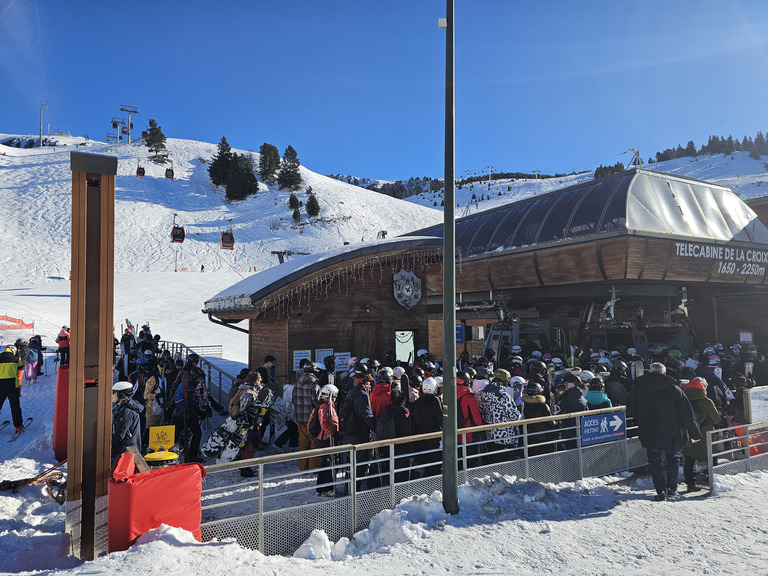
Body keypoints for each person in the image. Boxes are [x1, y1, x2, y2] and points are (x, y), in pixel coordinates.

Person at [627, 362, 702, 501]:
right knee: (673, 459)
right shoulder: (674, 389)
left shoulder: (639, 387)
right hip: (672, 431)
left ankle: (660, 490)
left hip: (649, 430)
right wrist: (695, 433)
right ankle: (672, 489)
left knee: (654, 461)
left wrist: (642, 420)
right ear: (664, 372)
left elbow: (631, 408)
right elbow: (687, 414)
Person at [681, 378, 721, 492]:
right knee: (711, 456)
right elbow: (717, 419)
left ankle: (691, 484)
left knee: (689, 459)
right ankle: (711, 480)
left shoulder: (683, 400)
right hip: (705, 437)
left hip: (688, 435)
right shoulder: (707, 401)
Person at [479, 369, 521, 462]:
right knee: (506, 468)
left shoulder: (485, 392)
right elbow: (515, 417)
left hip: (490, 436)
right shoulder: (503, 395)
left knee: (493, 464)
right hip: (505, 437)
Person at [409, 377, 444, 477]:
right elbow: (440, 419)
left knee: (424, 464)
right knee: (434, 466)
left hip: (420, 437)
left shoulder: (416, 403)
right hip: (434, 438)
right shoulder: (435, 401)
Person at [293, 361, 322, 471]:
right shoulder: (314, 384)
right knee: (314, 443)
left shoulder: (297, 383)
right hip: (312, 419)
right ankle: (313, 468)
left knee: (304, 443)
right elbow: (317, 402)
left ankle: (304, 468)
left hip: (300, 418)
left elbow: (293, 400)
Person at [314, 384, 340, 495]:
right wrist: (334, 433)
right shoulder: (325, 406)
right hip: (326, 438)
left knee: (326, 462)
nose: (336, 397)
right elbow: (324, 423)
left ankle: (321, 488)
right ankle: (326, 488)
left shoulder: (327, 405)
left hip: (326, 436)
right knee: (330, 462)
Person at [111, 381, 142, 461]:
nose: (111, 395)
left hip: (127, 451)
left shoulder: (127, 411)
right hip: (125, 449)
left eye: (113, 392)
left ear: (120, 395)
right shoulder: (121, 408)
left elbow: (120, 435)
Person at [0, 345, 24, 434]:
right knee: (15, 406)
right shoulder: (17, 358)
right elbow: (21, 368)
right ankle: (18, 426)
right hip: (12, 385)